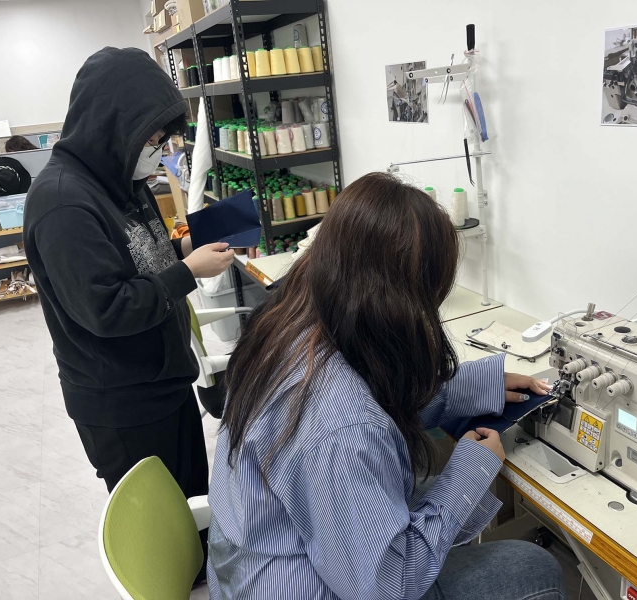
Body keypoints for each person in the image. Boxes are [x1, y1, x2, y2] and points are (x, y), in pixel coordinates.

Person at [207, 172, 566, 600]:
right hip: (316, 587)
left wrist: (470, 387)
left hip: (253, 562)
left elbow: (376, 391)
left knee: (442, 498)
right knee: (533, 568)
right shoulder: (341, 425)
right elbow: (387, 586)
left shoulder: (291, 324)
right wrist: (469, 472)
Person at [24, 48, 233, 507]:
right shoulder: (63, 204)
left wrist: (183, 251)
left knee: (192, 504)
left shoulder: (124, 181)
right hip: (123, 403)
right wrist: (188, 273)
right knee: (162, 524)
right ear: (112, 126)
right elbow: (107, 308)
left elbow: (142, 258)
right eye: (151, 139)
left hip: (165, 380)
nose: (157, 151)